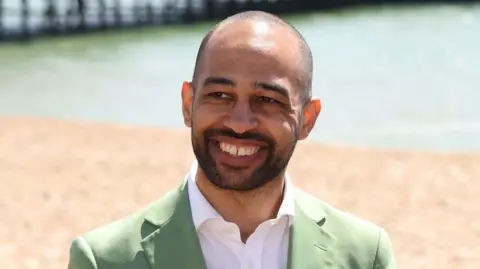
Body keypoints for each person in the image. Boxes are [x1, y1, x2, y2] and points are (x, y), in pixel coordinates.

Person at [68, 10, 397, 269]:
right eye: (220, 95)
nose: (240, 124)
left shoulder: (364, 255)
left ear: (307, 119)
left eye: (267, 100)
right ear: (188, 104)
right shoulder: (105, 260)